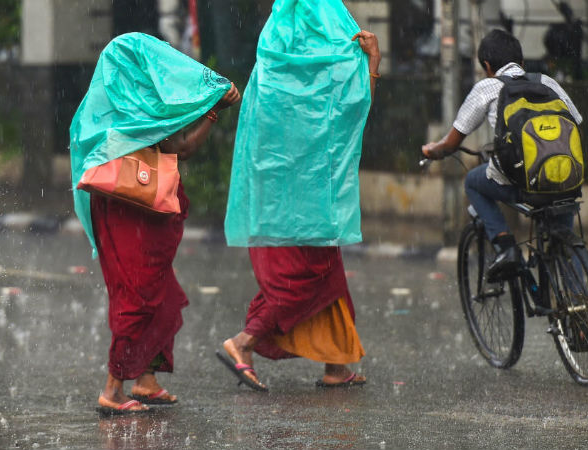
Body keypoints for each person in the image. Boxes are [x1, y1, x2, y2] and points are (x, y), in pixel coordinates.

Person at [69, 32, 240, 415]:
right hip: (122, 215)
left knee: (158, 293)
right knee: (137, 294)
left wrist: (210, 110)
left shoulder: (146, 109)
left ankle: (145, 379)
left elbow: (179, 148)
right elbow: (174, 150)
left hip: (142, 211)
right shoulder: (109, 114)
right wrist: (209, 109)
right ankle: (113, 389)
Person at [218, 0, 380, 391]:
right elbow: (356, 109)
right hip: (311, 202)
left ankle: (337, 366)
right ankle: (243, 342)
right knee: (305, 278)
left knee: (327, 278)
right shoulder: (328, 74)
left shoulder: (269, 70)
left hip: (274, 201)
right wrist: (373, 63)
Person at [422, 29, 582, 280]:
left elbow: (452, 142)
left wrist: (434, 150)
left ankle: (506, 247)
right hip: (564, 176)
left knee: (473, 182)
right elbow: (577, 122)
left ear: (487, 65)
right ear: (521, 62)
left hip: (521, 182)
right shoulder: (547, 81)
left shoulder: (487, 87)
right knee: (564, 244)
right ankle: (579, 304)